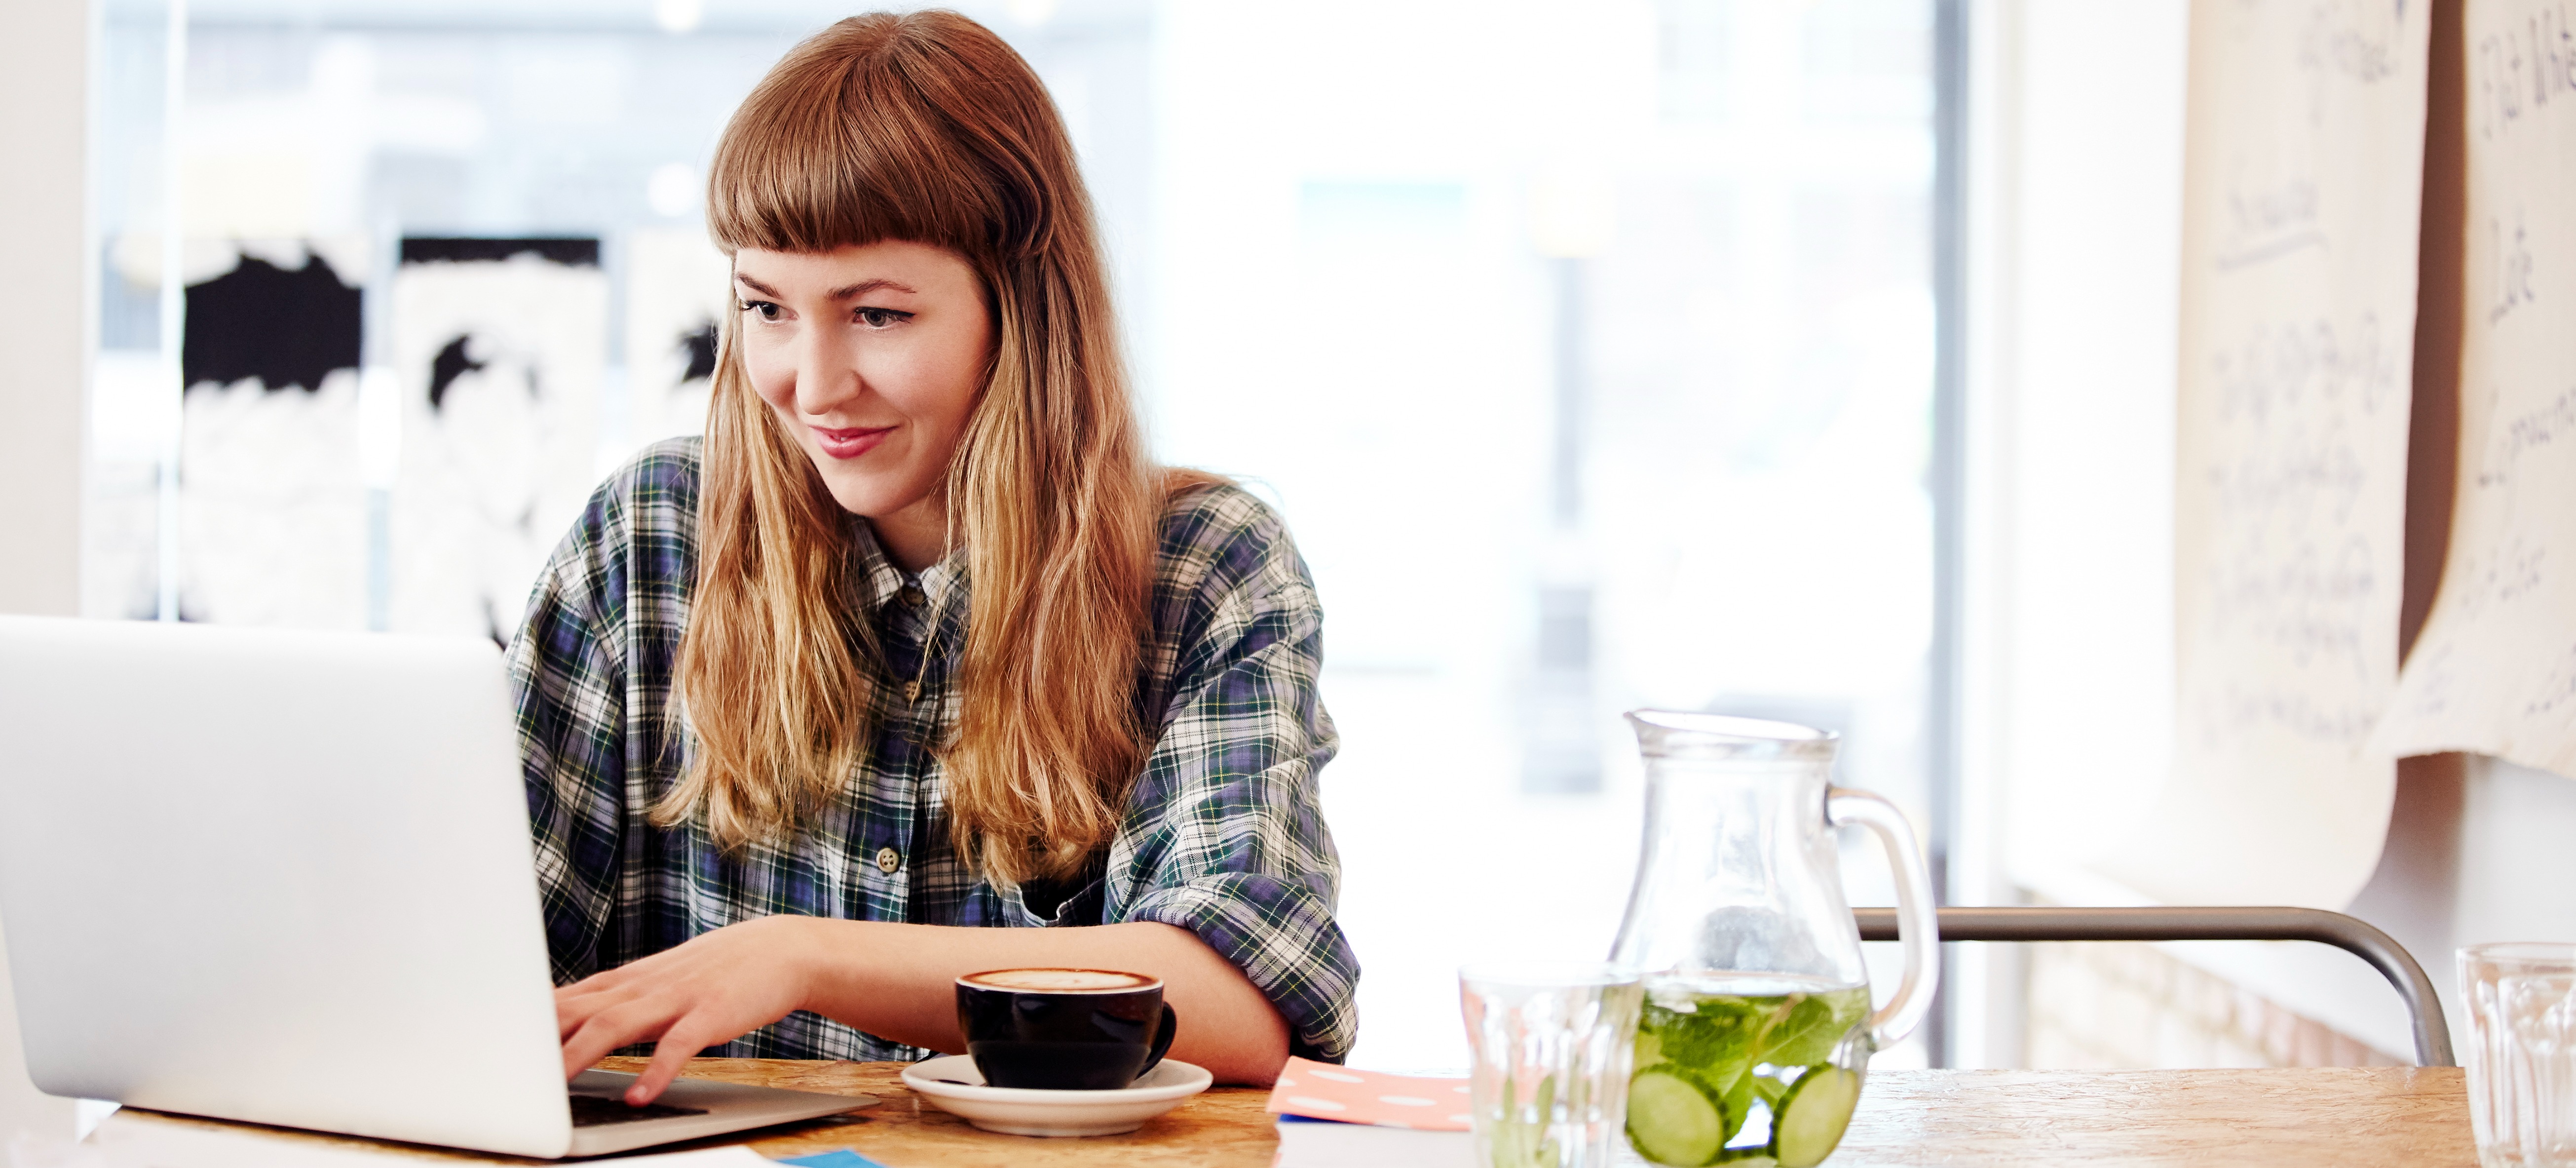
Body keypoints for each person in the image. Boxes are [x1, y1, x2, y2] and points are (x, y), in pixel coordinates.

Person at [508, 10, 1355, 1105]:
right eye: (766, 307)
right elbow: (478, 953)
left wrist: (803, 958)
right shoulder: (648, 538)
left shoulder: (1203, 569)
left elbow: (1241, 999)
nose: (812, 387)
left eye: (876, 315)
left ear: (1022, 309)